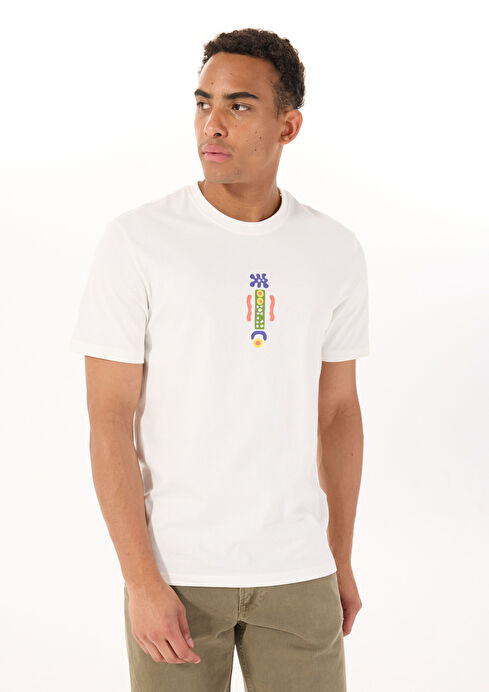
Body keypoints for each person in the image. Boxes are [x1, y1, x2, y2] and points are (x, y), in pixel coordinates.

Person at [70, 27, 370, 692]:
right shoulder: (138, 241)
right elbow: (109, 419)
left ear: (288, 125)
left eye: (239, 105)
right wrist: (141, 581)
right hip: (177, 574)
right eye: (203, 102)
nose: (212, 122)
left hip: (298, 571)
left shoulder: (334, 250)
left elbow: (338, 412)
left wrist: (339, 558)